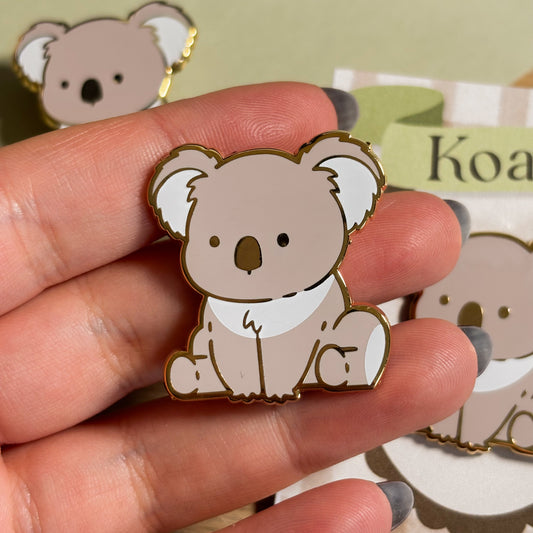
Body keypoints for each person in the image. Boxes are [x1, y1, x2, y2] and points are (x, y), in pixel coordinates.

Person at [0, 82, 489, 532]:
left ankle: (334, 358)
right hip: (230, 361)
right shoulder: (218, 304)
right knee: (221, 342)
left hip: (315, 343)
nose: (249, 258)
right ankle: (225, 371)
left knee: (343, 335)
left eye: (283, 239)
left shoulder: (319, 290)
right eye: (216, 240)